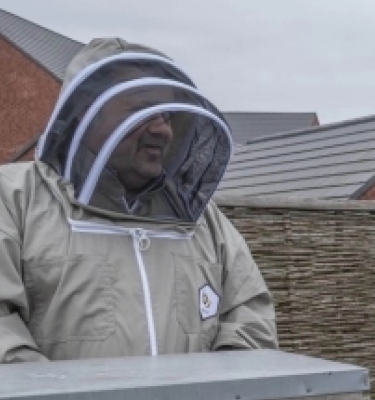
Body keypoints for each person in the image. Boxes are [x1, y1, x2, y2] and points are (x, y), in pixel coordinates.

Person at [0, 38, 276, 361]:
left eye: (167, 115)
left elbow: (250, 318)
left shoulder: (202, 220)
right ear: (87, 109)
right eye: (143, 110)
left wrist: (215, 397)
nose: (163, 130)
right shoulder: (14, 199)